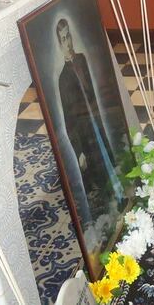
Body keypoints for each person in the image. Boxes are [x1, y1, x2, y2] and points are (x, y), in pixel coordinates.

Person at [55, 18, 124, 245]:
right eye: (63, 39)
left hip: (96, 120)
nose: (68, 42)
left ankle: (122, 195)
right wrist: (78, 150)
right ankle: (110, 213)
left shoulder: (82, 60)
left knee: (109, 157)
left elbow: (92, 91)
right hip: (83, 131)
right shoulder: (62, 79)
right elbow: (68, 119)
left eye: (69, 36)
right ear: (59, 44)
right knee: (97, 167)